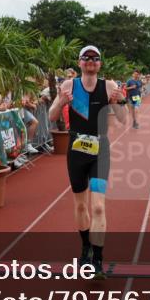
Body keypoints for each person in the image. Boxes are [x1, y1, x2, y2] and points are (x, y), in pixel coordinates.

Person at [47, 45, 127, 277]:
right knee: (81, 205)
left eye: (95, 58)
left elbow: (122, 119)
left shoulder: (109, 86)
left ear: (100, 63)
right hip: (76, 151)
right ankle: (86, 247)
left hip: (100, 150)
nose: (91, 61)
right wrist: (61, 101)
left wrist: (119, 101)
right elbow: (52, 116)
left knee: (99, 206)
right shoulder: (69, 86)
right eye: (86, 58)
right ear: (80, 62)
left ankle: (98, 260)